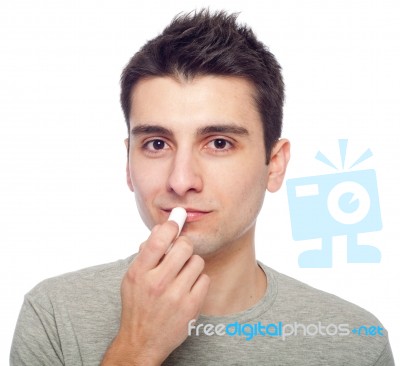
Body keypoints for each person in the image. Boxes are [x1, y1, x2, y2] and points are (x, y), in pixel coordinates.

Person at [10, 9, 394, 366]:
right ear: (129, 163)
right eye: (156, 144)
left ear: (274, 166)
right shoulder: (54, 315)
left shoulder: (354, 342)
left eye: (219, 143)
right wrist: (136, 347)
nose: (181, 181)